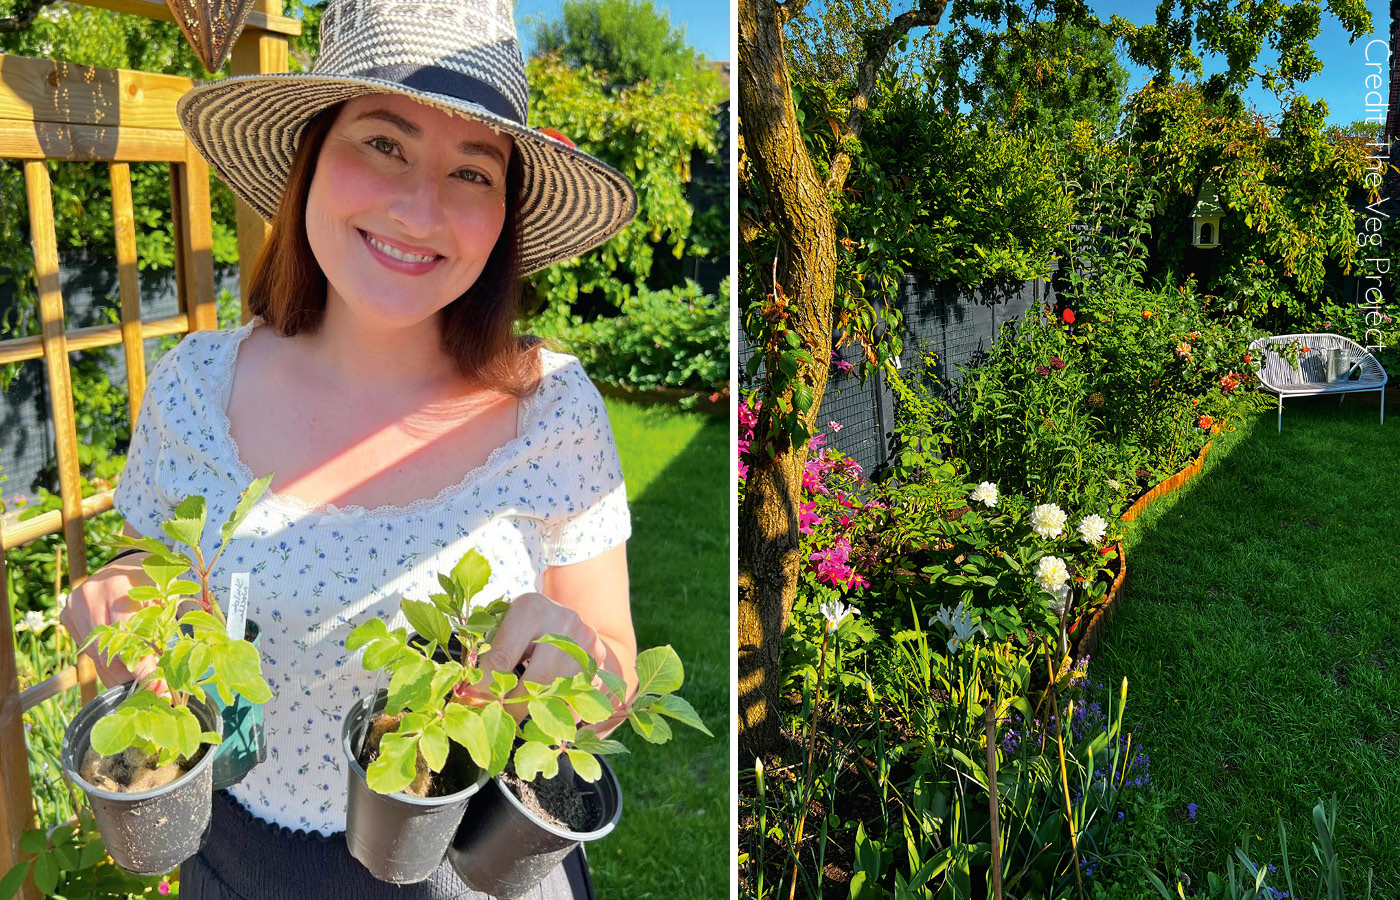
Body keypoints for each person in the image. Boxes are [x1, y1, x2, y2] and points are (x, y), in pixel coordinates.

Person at [58, 0, 640, 896]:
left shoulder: (552, 409)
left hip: (475, 865)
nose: (419, 209)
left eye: (473, 172)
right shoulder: (196, 385)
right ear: (312, 158)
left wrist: (579, 659)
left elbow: (615, 667)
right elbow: (152, 562)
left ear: (506, 213)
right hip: (236, 862)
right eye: (384, 143)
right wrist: (122, 592)